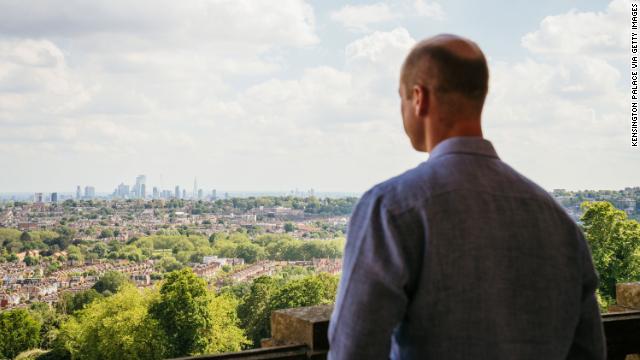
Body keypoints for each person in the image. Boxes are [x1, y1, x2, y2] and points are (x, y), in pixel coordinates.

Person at [328, 34, 606, 359]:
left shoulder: (391, 209)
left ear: (420, 99)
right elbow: (589, 351)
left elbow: (353, 350)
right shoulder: (559, 222)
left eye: (401, 98)